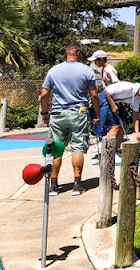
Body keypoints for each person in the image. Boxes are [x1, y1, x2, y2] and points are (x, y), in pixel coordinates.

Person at [39, 42, 101, 196]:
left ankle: (53, 186)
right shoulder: (87, 71)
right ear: (78, 53)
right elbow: (93, 94)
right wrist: (98, 114)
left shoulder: (54, 71)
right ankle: (77, 184)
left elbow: (44, 94)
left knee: (55, 148)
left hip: (58, 114)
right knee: (78, 147)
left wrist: (45, 112)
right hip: (79, 114)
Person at [95, 80, 140, 152]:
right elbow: (106, 91)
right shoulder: (128, 87)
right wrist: (113, 105)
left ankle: (115, 151)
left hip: (113, 101)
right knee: (116, 126)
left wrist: (137, 133)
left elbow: (135, 114)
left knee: (123, 124)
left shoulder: (137, 97)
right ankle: (109, 153)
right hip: (104, 98)